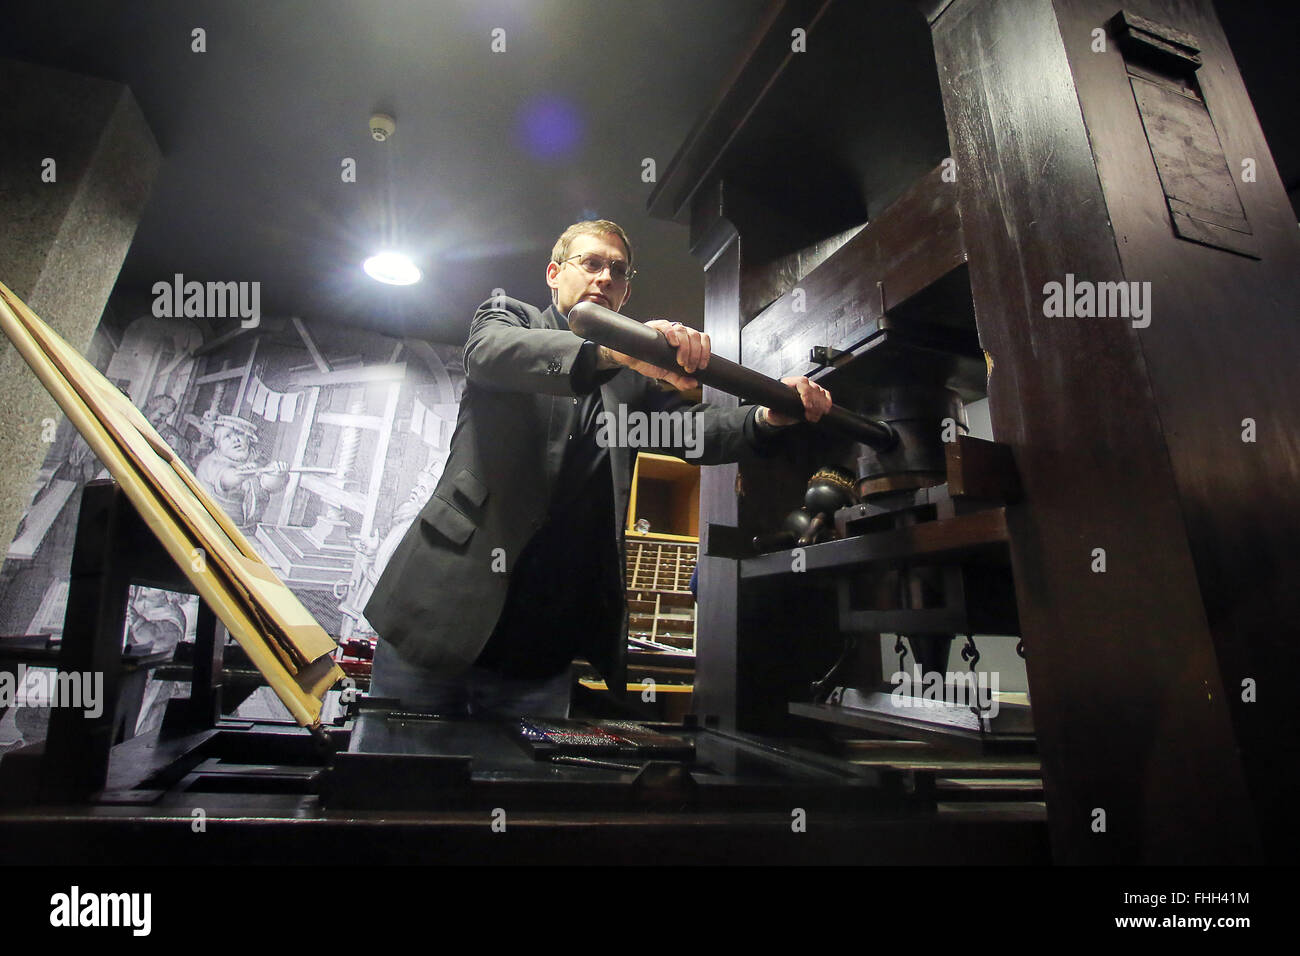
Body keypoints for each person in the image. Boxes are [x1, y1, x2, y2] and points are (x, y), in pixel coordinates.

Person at [356, 220, 830, 730]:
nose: (605, 277)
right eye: (592, 263)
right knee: (399, 780)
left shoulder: (633, 382)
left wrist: (765, 417)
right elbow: (491, 356)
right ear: (555, 274)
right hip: (436, 619)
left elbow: (693, 430)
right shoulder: (510, 318)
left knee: (525, 797)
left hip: (540, 653)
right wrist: (613, 350)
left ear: (626, 293)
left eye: (619, 271)